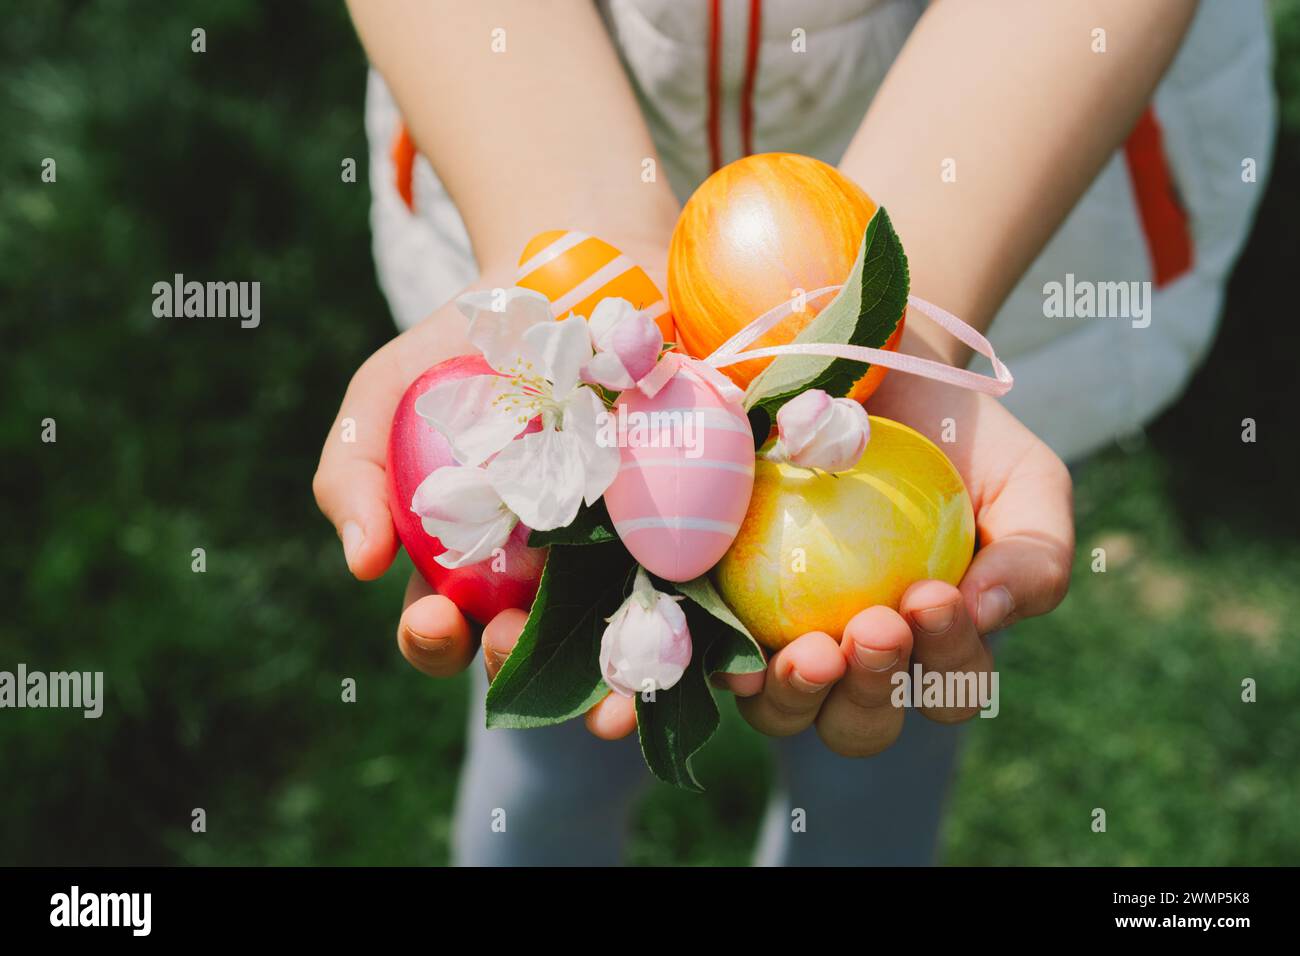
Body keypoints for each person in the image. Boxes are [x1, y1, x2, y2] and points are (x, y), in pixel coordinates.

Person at [313, 0, 1274, 865]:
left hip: (992, 197)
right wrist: (569, 248)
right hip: (538, 134)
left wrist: (904, 324)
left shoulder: (894, 400)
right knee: (549, 718)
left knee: (895, 665)